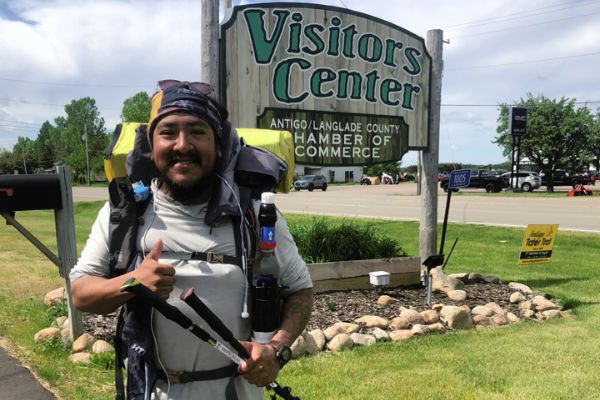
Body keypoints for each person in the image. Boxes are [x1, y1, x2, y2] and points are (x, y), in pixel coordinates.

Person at [70, 81, 314, 400]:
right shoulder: (124, 212)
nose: (182, 144)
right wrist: (132, 282)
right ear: (151, 143)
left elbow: (300, 290)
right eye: (168, 131)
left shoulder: (255, 214)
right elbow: (80, 292)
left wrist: (276, 350)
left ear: (219, 145)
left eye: (198, 131)